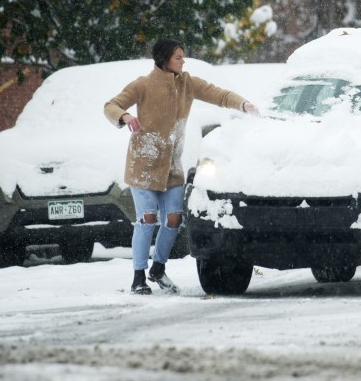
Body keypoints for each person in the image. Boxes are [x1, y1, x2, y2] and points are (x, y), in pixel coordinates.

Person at [104, 38, 259, 294]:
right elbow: (112, 105)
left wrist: (243, 104)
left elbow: (218, 94)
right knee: (148, 219)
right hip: (143, 165)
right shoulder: (143, 85)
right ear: (165, 60)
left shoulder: (187, 83)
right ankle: (138, 277)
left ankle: (158, 269)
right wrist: (125, 116)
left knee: (174, 219)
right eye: (178, 57)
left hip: (172, 168)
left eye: (183, 56)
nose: (183, 61)